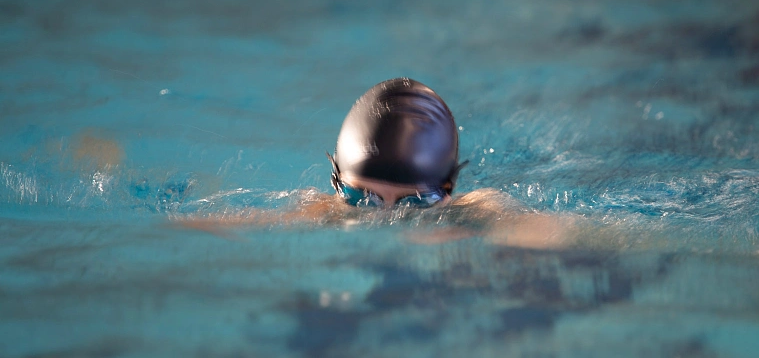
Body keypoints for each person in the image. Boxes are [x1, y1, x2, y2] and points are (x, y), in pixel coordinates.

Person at [177, 78, 605, 249]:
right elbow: (219, 223)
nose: (383, 218)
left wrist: (473, 242)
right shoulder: (324, 210)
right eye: (362, 198)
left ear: (447, 192)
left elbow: (564, 234)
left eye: (414, 204)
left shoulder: (478, 211)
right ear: (336, 183)